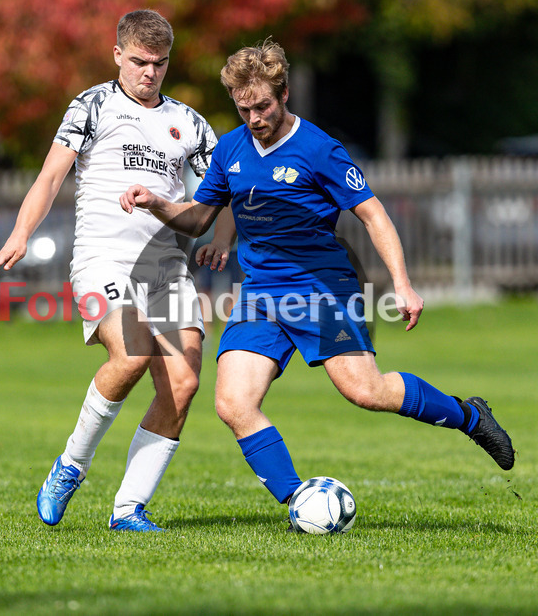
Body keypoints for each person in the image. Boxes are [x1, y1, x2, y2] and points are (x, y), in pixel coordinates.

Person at [119, 39, 514, 509]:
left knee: (365, 390)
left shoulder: (319, 149)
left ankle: (469, 416)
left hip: (322, 289)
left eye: (263, 106)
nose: (255, 119)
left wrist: (403, 284)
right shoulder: (230, 150)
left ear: (284, 94)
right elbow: (200, 217)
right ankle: (298, 502)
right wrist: (159, 204)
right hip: (260, 295)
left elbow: (375, 216)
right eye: (244, 109)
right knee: (233, 403)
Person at [0, 9, 226, 532]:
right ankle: (70, 467)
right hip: (102, 261)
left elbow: (215, 202)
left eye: (159, 64)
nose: (149, 73)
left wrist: (219, 237)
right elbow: (51, 178)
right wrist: (21, 233)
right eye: (139, 61)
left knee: (182, 385)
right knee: (133, 353)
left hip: (166, 270)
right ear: (117, 54)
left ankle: (128, 510)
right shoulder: (92, 106)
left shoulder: (192, 124)